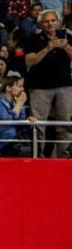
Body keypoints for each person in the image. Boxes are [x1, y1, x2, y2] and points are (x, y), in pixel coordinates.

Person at [23, 10, 72, 157]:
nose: (50, 24)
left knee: (65, 123)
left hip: (64, 85)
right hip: (39, 87)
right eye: (46, 21)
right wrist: (47, 48)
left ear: (58, 21)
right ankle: (38, 156)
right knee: (38, 125)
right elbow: (29, 61)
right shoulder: (33, 39)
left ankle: (65, 155)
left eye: (53, 20)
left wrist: (67, 47)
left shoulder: (68, 37)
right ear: (40, 24)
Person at [0, 73, 35, 158]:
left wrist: (28, 119)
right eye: (19, 86)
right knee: (10, 130)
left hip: (7, 132)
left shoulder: (15, 100)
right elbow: (7, 121)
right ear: (8, 88)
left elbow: (20, 121)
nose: (22, 89)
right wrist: (19, 104)